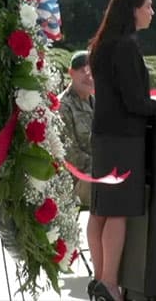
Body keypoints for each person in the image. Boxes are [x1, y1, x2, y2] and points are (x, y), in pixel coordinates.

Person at [86, 0, 156, 301]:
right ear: (133, 9)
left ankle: (99, 281)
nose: (151, 11)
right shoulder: (126, 46)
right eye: (147, 5)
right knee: (116, 213)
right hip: (122, 139)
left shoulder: (103, 44)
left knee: (100, 212)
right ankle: (109, 284)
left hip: (104, 136)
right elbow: (135, 102)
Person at [59, 50, 95, 208]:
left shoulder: (96, 102)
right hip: (74, 179)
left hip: (96, 171)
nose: (88, 76)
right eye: (83, 71)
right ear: (71, 73)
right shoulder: (62, 106)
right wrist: (103, 166)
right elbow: (70, 153)